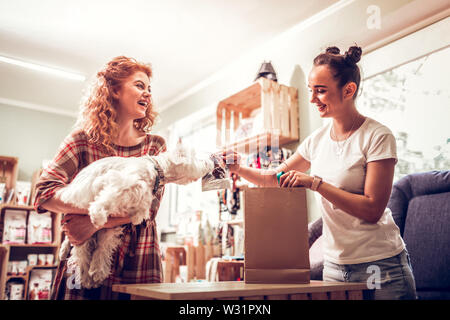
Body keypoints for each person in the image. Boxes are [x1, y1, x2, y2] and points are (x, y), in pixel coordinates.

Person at [224, 46, 417, 300]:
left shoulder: (377, 136)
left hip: (381, 265)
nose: (313, 99)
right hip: (335, 268)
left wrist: (315, 183)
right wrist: (236, 167)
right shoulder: (316, 141)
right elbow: (273, 179)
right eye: (311, 90)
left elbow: (372, 210)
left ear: (348, 90)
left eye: (321, 91)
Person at [34, 56, 166, 300]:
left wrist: (91, 222)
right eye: (139, 85)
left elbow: (149, 208)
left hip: (139, 260)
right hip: (83, 258)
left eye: (149, 89)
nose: (147, 94)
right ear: (114, 90)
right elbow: (43, 193)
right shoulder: (81, 141)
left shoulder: (155, 146)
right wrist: (94, 213)